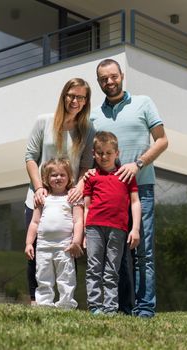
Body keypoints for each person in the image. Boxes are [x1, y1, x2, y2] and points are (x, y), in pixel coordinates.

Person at [90, 59, 168, 318]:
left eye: (113, 76)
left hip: (140, 188)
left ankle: (145, 309)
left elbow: (162, 140)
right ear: (99, 82)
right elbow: (94, 155)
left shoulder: (143, 103)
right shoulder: (95, 115)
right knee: (117, 255)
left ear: (122, 75)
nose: (109, 82)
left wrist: (138, 164)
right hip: (108, 194)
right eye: (103, 79)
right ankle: (123, 307)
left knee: (142, 251)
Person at [24, 78, 95, 305]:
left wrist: (79, 188)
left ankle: (66, 301)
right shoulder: (43, 122)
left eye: (81, 97)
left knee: (68, 250)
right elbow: (30, 158)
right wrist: (38, 188)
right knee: (36, 251)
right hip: (39, 199)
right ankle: (37, 301)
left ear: (86, 102)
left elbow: (86, 165)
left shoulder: (87, 129)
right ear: (64, 96)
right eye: (71, 95)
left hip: (68, 201)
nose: (75, 101)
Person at [83, 131, 141, 314]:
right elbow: (86, 206)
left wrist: (136, 229)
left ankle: (110, 308)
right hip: (94, 228)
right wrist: (85, 232)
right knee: (94, 268)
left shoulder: (127, 176)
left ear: (117, 153)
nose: (104, 157)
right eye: (100, 153)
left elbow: (135, 202)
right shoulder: (91, 177)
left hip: (119, 229)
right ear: (94, 154)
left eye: (109, 152)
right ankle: (94, 307)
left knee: (111, 270)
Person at [25, 158, 84, 308]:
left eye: (62, 175)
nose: (58, 178)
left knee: (66, 277)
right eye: (54, 175)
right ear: (46, 178)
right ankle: (44, 304)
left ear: (69, 177)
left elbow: (78, 221)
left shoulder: (73, 197)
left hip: (65, 246)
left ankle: (66, 304)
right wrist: (29, 243)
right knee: (43, 276)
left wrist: (76, 241)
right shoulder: (42, 198)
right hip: (43, 246)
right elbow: (34, 222)